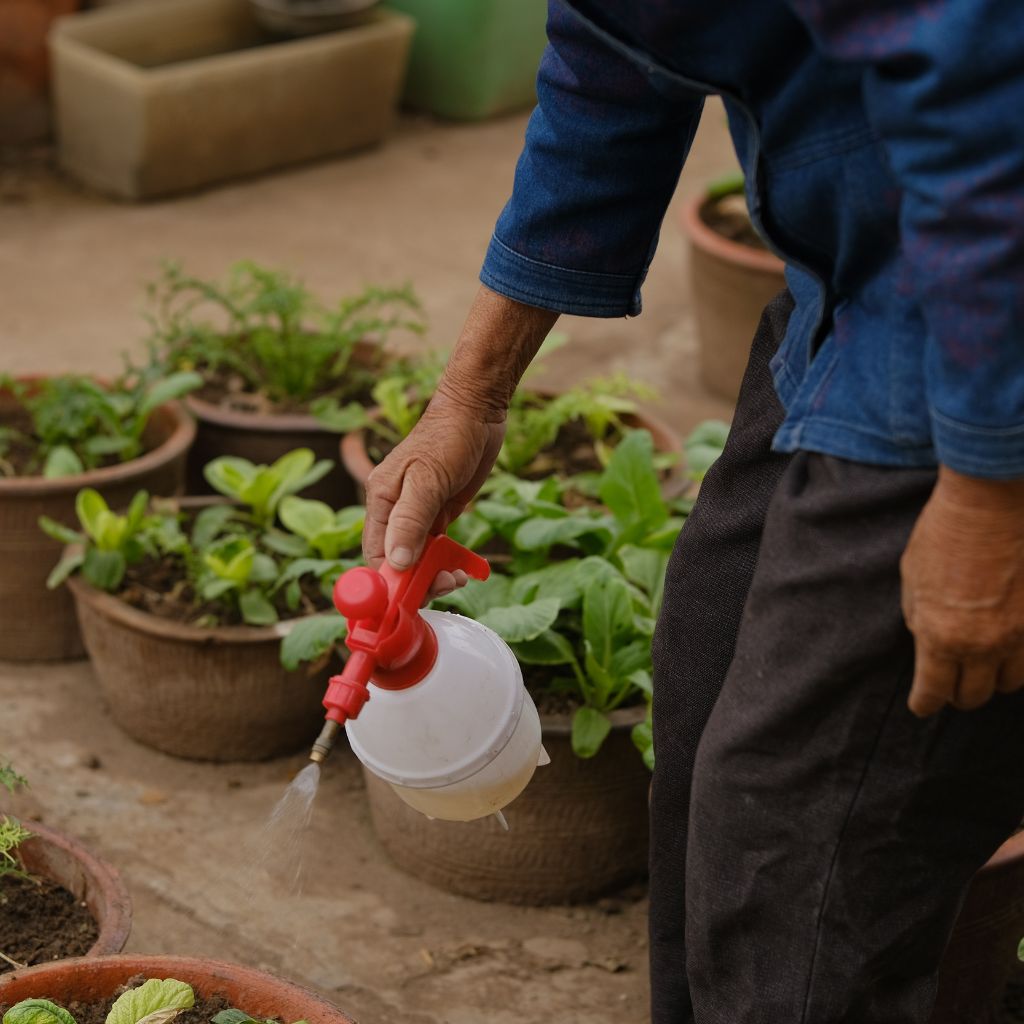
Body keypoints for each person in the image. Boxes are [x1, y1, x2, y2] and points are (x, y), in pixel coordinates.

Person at [362, 2, 1024, 1021]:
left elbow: (990, 107)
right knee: (709, 686)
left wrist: (989, 493)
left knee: (800, 855)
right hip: (854, 277)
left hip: (979, 324)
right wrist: (472, 392)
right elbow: (612, 49)